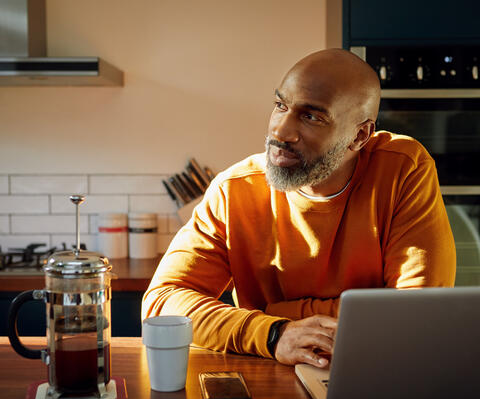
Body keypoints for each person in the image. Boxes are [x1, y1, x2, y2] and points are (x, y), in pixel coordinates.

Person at [142, 48, 456, 369]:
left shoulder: (403, 168)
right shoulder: (234, 189)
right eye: (280, 106)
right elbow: (163, 303)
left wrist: (277, 313)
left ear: (359, 136)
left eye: (311, 116)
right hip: (270, 371)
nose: (280, 131)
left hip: (374, 368)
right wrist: (274, 333)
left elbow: (419, 314)